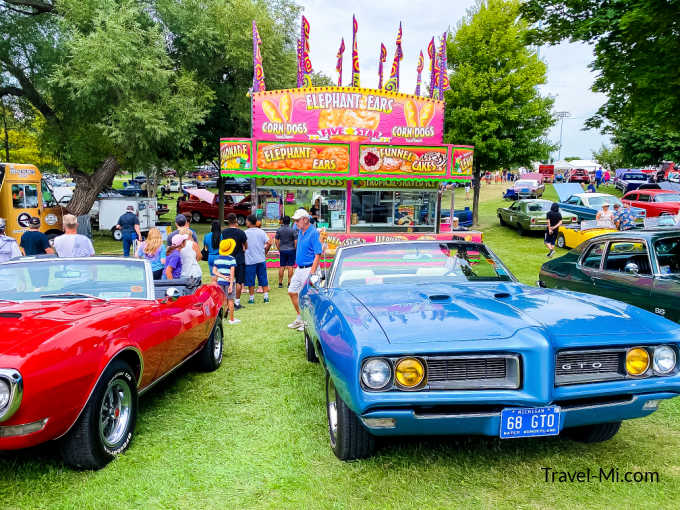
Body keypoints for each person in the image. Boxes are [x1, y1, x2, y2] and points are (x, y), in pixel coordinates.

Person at [287, 208, 323, 332]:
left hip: (309, 269)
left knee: (307, 297)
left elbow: (318, 254)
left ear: (306, 220)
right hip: (300, 268)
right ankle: (300, 317)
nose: (295, 223)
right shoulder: (301, 231)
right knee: (292, 291)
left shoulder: (313, 233)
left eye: (298, 220)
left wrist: (312, 273)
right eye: (295, 221)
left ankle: (306, 321)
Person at [221, 213, 248, 309]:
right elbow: (246, 245)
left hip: (227, 259)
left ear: (228, 221)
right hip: (239, 259)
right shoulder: (241, 232)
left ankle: (228, 302)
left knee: (227, 280)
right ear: (236, 220)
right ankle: (237, 302)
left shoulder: (223, 233)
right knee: (239, 281)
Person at [244, 214, 271, 303]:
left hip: (250, 260)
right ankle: (266, 297)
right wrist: (265, 252)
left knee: (250, 280)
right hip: (261, 259)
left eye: (246, 221)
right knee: (263, 278)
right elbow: (269, 243)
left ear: (249, 222)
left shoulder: (245, 233)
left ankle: (251, 298)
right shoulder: (261, 232)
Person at [213, 238, 240, 324]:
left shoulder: (217, 259)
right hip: (229, 282)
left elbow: (214, 271)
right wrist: (231, 285)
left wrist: (222, 277)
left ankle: (222, 318)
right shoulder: (231, 259)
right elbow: (232, 273)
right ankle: (232, 319)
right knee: (230, 300)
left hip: (220, 282)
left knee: (222, 301)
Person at [275, 215, 297, 288]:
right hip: (291, 250)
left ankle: (280, 283)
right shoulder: (293, 230)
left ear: (283, 222)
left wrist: (279, 248)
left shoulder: (279, 230)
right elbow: (296, 241)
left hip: (282, 250)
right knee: (290, 267)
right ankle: (289, 283)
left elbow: (276, 240)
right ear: (289, 222)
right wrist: (295, 249)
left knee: (282, 266)